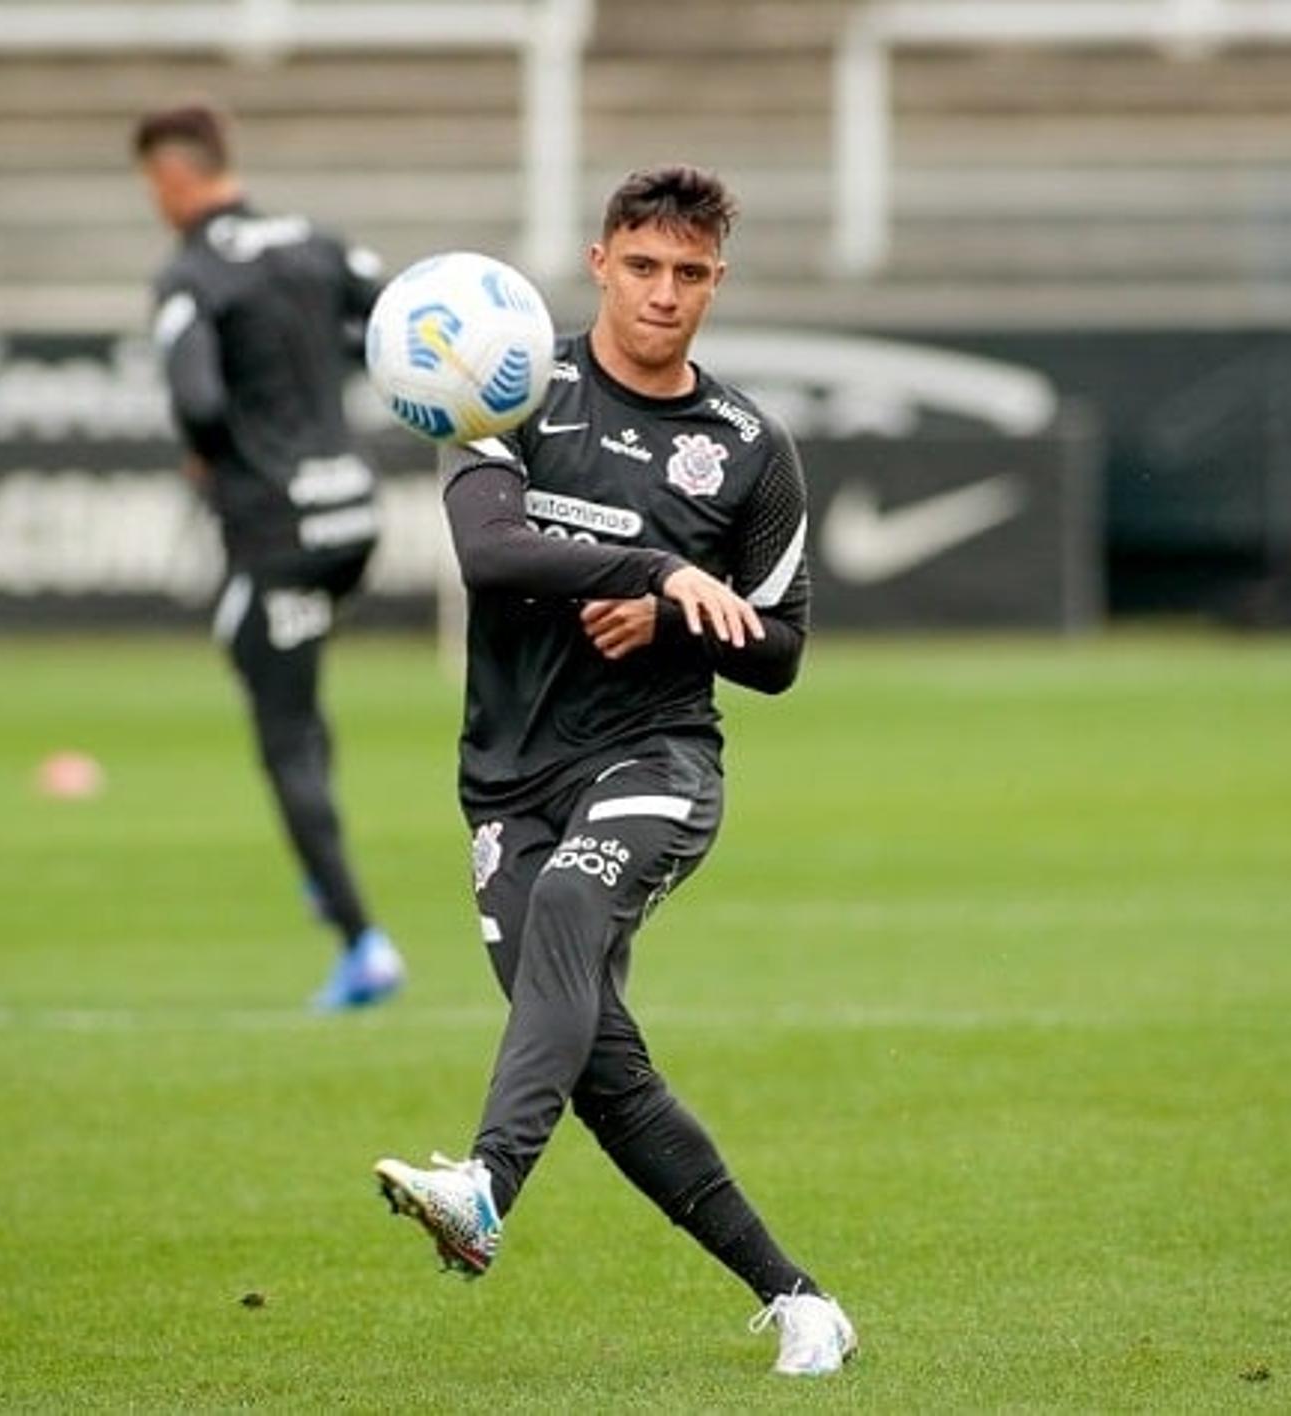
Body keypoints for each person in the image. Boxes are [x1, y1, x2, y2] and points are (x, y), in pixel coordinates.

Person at [372, 166, 856, 1376]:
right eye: (643, 268)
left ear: (717, 283)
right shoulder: (517, 386)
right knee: (599, 1067)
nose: (664, 295)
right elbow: (487, 552)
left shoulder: (749, 450)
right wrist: (652, 575)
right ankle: (798, 1299)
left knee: (578, 905)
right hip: (507, 781)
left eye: (690, 275)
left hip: (656, 758)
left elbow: (783, 651)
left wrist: (682, 623)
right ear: (600, 265)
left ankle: (483, 1187)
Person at [134, 101, 403, 1011]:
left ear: (173, 179)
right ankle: (321, 860)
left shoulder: (191, 276)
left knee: (279, 723)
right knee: (292, 679)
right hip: (354, 518)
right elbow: (397, 317)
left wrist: (213, 453)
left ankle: (361, 941)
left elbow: (199, 400)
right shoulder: (317, 244)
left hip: (279, 533)